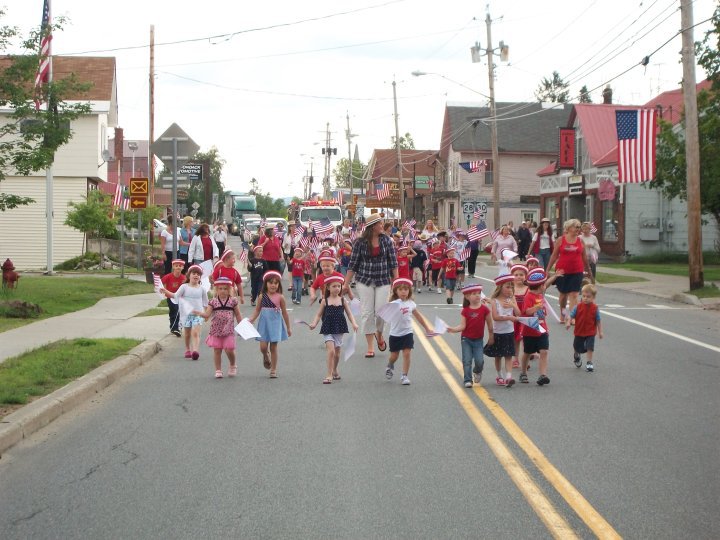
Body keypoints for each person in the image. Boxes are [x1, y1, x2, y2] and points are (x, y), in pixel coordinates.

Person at [343, 213, 398, 358]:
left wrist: (397, 282)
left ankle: (379, 335)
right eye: (380, 223)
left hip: (383, 280)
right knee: (367, 313)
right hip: (364, 280)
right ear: (373, 227)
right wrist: (345, 284)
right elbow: (353, 264)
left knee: (381, 311)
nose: (382, 225)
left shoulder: (387, 240)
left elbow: (393, 263)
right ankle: (370, 347)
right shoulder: (360, 242)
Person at [381, 277, 434, 386]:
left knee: (407, 353)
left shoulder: (411, 304)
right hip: (395, 334)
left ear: (409, 291)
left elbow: (418, 316)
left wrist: (427, 328)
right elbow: (383, 318)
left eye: (406, 289)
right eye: (400, 290)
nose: (403, 292)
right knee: (394, 356)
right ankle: (390, 364)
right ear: (395, 291)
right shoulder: (393, 304)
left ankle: (404, 375)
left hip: (407, 333)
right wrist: (379, 333)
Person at [309, 275, 359, 384]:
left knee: (337, 352)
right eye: (334, 286)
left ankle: (335, 369)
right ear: (328, 288)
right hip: (327, 328)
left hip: (339, 328)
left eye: (339, 286)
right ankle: (329, 374)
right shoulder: (324, 301)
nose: (337, 288)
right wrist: (314, 323)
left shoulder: (343, 300)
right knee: (331, 351)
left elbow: (350, 314)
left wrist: (354, 323)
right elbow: (318, 315)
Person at [447, 284, 494, 388]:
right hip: (466, 339)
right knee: (467, 360)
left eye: (478, 293)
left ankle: (477, 371)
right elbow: (462, 326)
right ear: (467, 297)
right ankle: (467, 379)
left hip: (478, 340)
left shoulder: (484, 309)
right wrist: (452, 329)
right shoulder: (465, 310)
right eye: (474, 294)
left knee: (479, 361)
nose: (477, 295)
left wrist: (491, 336)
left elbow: (490, 325)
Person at [247, 270, 291, 378]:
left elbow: (285, 313)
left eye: (276, 283)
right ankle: (266, 355)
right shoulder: (262, 296)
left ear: (278, 285)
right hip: (264, 324)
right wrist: (251, 319)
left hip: (275, 324)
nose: (273, 285)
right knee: (263, 347)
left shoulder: (280, 297)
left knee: (274, 346)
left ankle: (273, 369)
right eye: (270, 283)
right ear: (265, 283)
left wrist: (288, 327)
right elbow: (257, 310)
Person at [547, 218, 592, 322]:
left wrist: (588, 271)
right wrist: (547, 270)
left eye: (578, 227)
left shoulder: (580, 241)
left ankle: (572, 317)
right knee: (563, 295)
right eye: (576, 226)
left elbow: (584, 257)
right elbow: (554, 256)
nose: (578, 229)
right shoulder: (560, 240)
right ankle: (563, 313)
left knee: (574, 294)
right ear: (568, 228)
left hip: (577, 271)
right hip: (562, 271)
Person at [159, 264, 208, 360]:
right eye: (194, 273)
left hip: (198, 314)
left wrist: (206, 314)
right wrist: (165, 291)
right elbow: (175, 296)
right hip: (186, 314)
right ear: (189, 275)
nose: (196, 276)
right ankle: (187, 349)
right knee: (187, 333)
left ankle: (195, 351)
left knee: (195, 332)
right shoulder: (184, 287)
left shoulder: (202, 289)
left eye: (198, 274)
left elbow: (206, 303)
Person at [197, 276, 242, 379]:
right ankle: (218, 370)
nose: (223, 291)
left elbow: (238, 315)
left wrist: (241, 325)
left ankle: (232, 365)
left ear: (229, 289)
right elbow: (207, 314)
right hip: (216, 330)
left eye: (225, 289)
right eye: (220, 289)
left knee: (229, 349)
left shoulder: (233, 301)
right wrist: (200, 313)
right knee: (217, 350)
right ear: (216, 289)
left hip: (228, 330)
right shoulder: (213, 302)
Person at [482, 274, 520, 387]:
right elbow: (495, 317)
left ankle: (509, 377)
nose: (510, 289)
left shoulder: (512, 299)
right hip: (498, 332)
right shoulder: (494, 301)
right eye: (507, 287)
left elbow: (518, 314)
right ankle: (499, 376)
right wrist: (509, 318)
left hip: (509, 332)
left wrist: (513, 306)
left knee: (508, 355)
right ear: (500, 288)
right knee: (498, 356)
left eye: (511, 287)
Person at [519, 268, 551, 386]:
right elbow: (526, 311)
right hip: (530, 329)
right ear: (540, 286)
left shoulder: (541, 296)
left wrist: (542, 312)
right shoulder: (529, 296)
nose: (545, 286)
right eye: (544, 284)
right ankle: (523, 372)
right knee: (527, 352)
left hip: (542, 329)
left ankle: (543, 375)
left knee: (544, 351)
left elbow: (543, 312)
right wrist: (536, 308)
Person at [567, 283, 603, 372]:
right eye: (584, 296)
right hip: (579, 331)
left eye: (588, 296)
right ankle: (576, 355)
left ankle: (589, 362)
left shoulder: (595, 308)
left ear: (593, 298)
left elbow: (598, 320)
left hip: (590, 332)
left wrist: (600, 331)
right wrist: (568, 322)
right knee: (577, 346)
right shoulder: (578, 306)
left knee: (590, 347)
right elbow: (571, 315)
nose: (585, 298)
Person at [160, 259, 185, 337]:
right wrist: (162, 290)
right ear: (173, 267)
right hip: (170, 297)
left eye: (180, 266)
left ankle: (176, 328)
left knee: (178, 312)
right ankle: (174, 328)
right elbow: (160, 283)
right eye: (176, 266)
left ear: (182, 267)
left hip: (180, 298)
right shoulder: (168, 276)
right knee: (173, 311)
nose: (178, 267)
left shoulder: (184, 278)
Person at [510, 264, 529, 369]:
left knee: (526, 338)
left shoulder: (529, 289)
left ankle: (525, 359)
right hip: (514, 317)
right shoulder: (510, 289)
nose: (518, 277)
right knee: (515, 338)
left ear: (526, 276)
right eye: (516, 275)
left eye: (521, 275)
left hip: (526, 316)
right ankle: (515, 358)